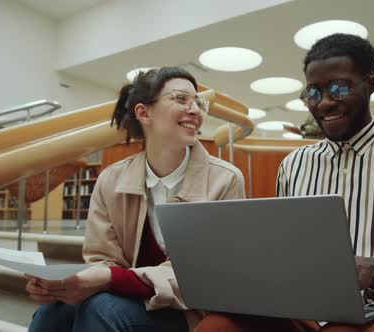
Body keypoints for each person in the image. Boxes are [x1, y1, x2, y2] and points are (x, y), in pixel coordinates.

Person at [195, 34, 374, 332]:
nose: (325, 103)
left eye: (339, 88)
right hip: (307, 310)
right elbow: (287, 255)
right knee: (216, 326)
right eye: (313, 93)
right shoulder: (293, 166)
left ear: (370, 86)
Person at [25, 67, 246, 332]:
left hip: (189, 309)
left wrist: (111, 278)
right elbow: (102, 259)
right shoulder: (110, 180)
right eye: (180, 99)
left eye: (198, 102)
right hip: (127, 297)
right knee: (54, 310)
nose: (195, 110)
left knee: (102, 309)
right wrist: (59, 286)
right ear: (143, 113)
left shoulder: (226, 179)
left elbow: (203, 276)